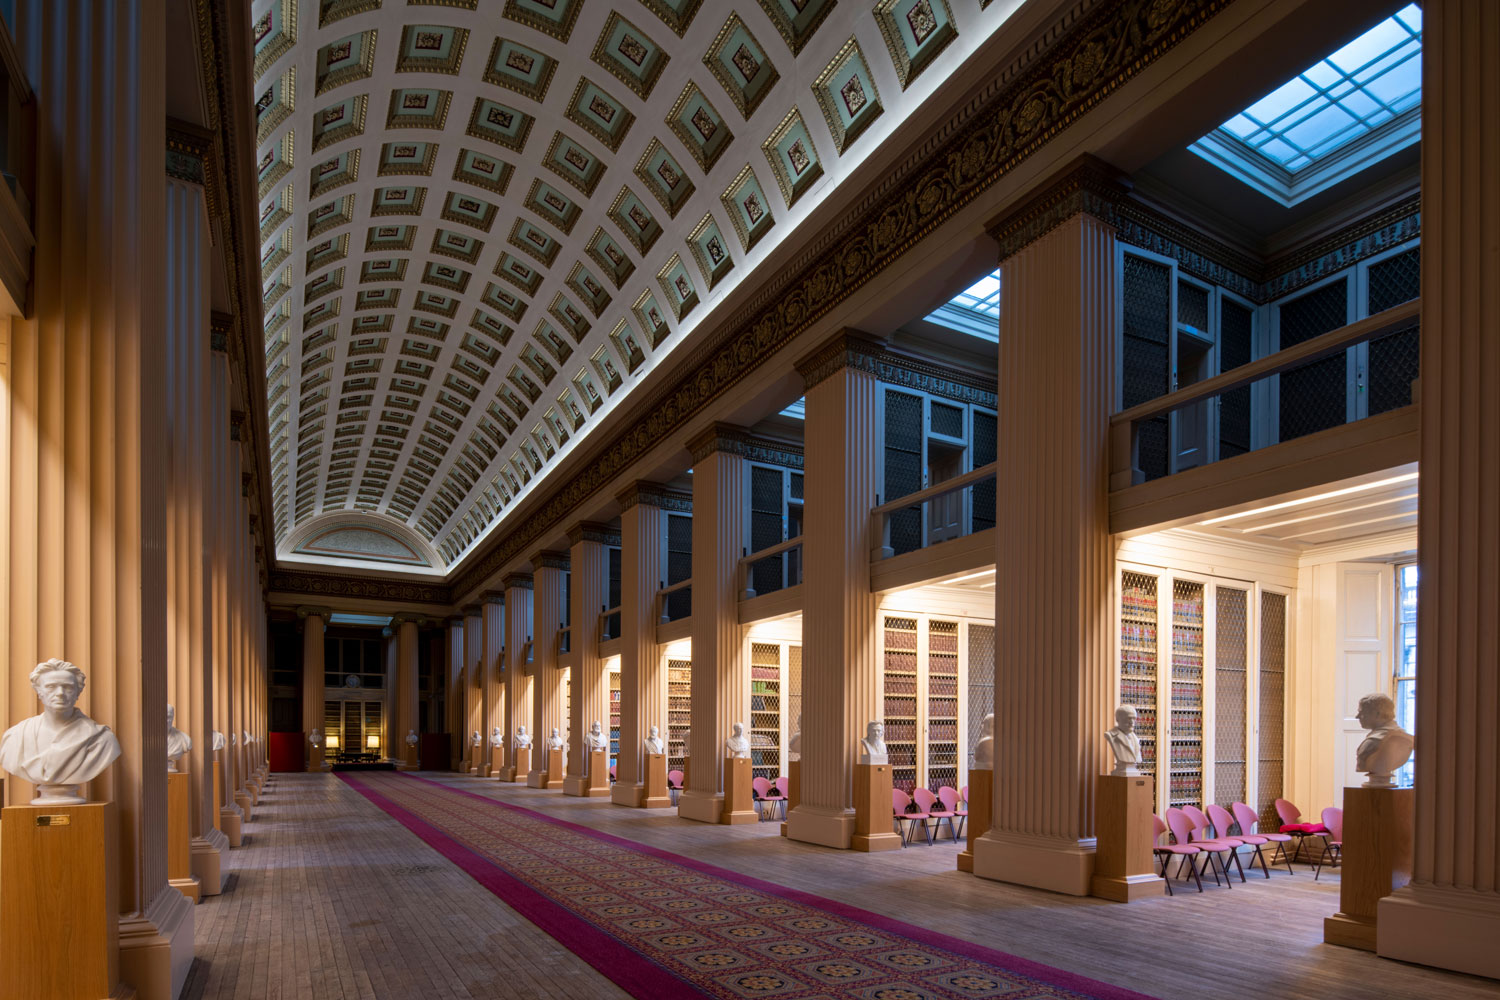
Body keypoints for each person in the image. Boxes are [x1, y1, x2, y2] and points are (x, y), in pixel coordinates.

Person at [0, 658, 122, 804]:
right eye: (51, 686)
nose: (60, 693)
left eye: (68, 687)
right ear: (39, 691)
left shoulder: (102, 740)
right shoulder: (15, 737)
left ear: (78, 692)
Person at [1355, 692, 1414, 787]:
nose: (1357, 716)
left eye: (1361, 712)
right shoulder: (1404, 736)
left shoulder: (1375, 741)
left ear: (1376, 714)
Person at [1104, 705, 1143, 776]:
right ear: (1118, 719)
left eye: (1134, 718)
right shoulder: (1111, 736)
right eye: (1128, 718)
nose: (1132, 722)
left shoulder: (1136, 739)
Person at [166, 704, 192, 771]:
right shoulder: (147, 740)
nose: (166, 720)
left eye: (168, 717)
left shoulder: (184, 739)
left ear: (173, 717)